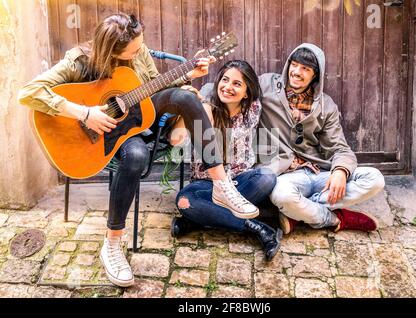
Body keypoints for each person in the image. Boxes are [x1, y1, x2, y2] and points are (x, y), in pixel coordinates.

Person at [18, 13, 259, 287]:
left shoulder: (138, 49)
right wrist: (85, 113)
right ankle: (112, 245)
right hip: (109, 134)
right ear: (111, 51)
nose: (140, 51)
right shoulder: (79, 60)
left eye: (140, 45)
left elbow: (153, 85)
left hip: (140, 117)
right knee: (136, 155)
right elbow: (28, 93)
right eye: (133, 50)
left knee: (184, 96)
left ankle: (220, 183)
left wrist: (188, 74)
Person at [257, 43, 385, 235]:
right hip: (286, 176)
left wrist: (341, 171)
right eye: (294, 65)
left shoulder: (326, 106)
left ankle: (298, 212)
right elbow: (231, 88)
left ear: (315, 75)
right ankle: (335, 218)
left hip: (318, 174)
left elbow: (340, 148)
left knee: (375, 179)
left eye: (305, 69)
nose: (296, 72)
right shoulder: (266, 85)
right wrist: (205, 101)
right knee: (281, 195)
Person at [168, 60, 282, 261]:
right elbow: (175, 140)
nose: (228, 87)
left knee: (267, 177)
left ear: (247, 92)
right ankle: (257, 228)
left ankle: (196, 222)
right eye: (225, 80)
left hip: (240, 182)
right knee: (185, 201)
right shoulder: (206, 109)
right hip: (208, 185)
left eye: (237, 84)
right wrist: (188, 107)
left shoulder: (253, 108)